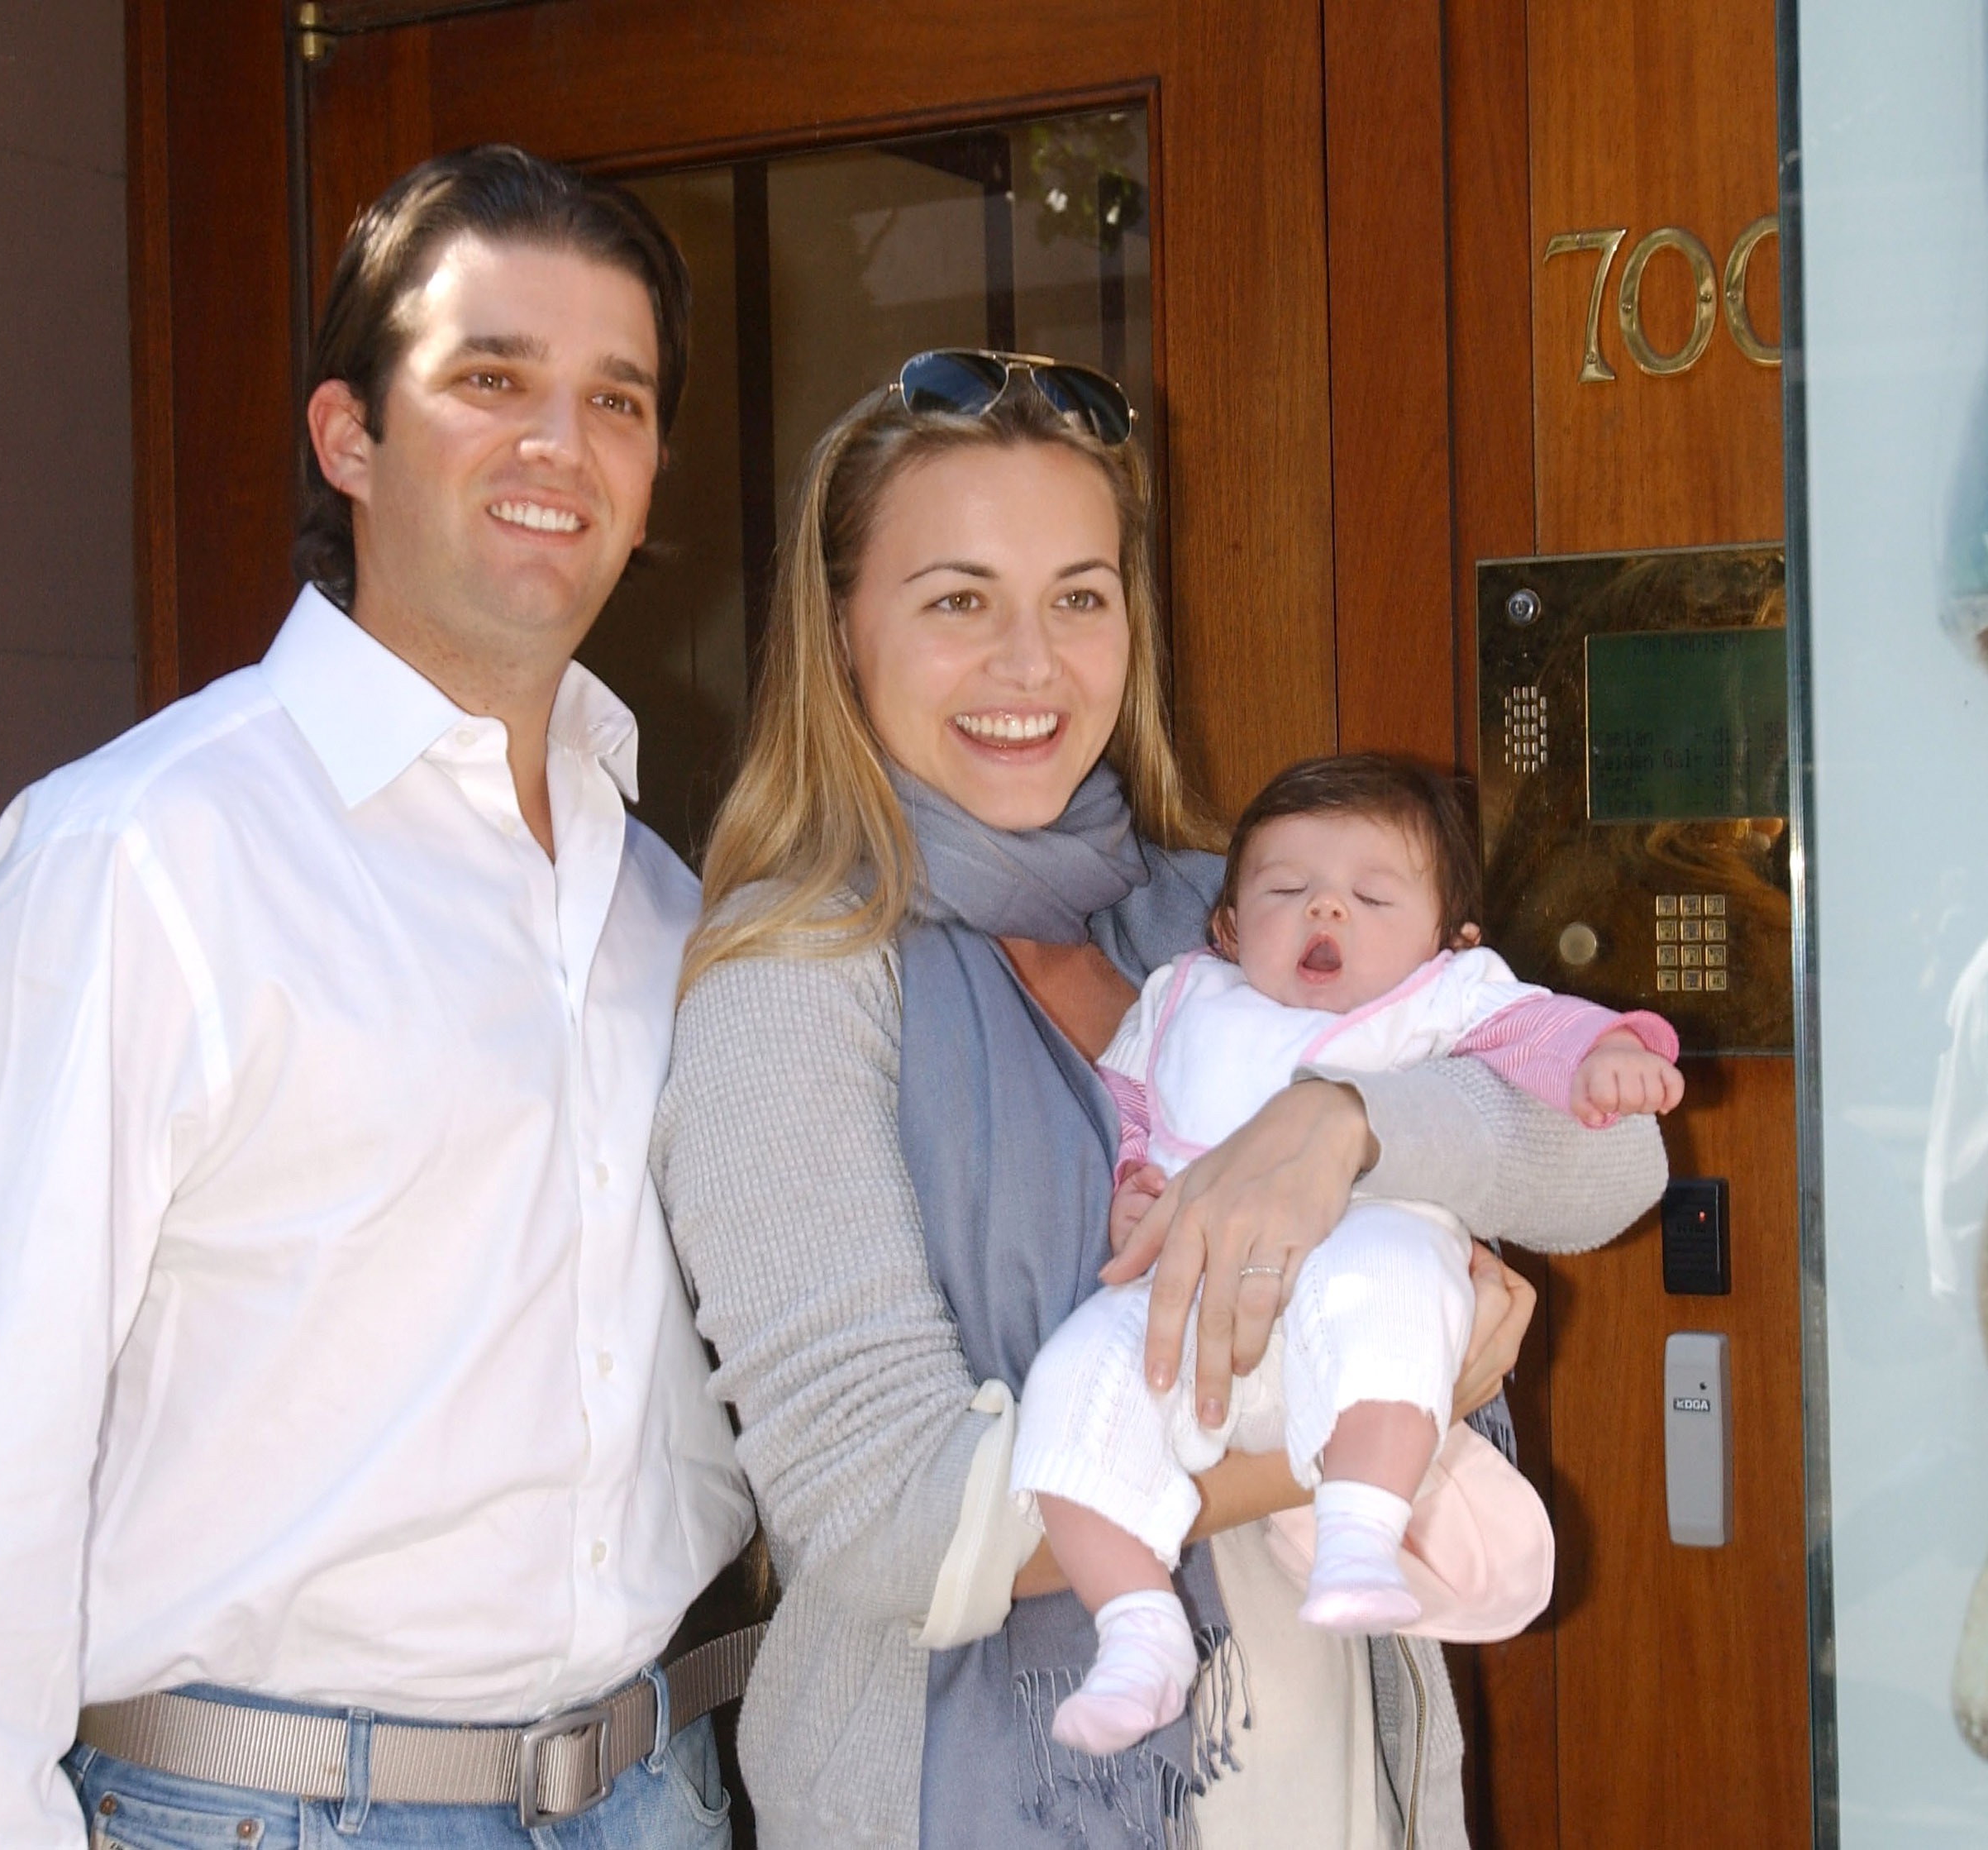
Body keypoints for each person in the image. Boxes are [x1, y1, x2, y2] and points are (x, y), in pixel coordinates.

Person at [0, 147, 753, 1850]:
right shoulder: (146, 856)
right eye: (490, 379)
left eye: (614, 399)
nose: (560, 444)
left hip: (652, 1792)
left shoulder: (667, 911)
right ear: (349, 435)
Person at [650, 352, 1671, 1850]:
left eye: (1080, 593)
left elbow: (1614, 1155)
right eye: (956, 600)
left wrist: (1342, 1124)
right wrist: (1362, 1424)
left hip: (1327, 1784)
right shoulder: (791, 986)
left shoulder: (1215, 913)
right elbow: (895, 1528)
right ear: (843, 631)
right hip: (977, 1797)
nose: (1032, 662)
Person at [1016, 751, 1683, 1755]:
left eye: (1372, 897)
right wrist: (1134, 1186)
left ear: (1448, 941)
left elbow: (1541, 1033)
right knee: (1071, 1388)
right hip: (1189, 1310)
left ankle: (1361, 1533)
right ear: (1231, 925)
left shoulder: (1436, 997)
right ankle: (1138, 1631)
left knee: (1394, 1275)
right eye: (1288, 893)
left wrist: (1605, 1057)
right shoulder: (1185, 994)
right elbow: (1130, 1107)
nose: (1326, 913)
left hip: (1353, 1276)